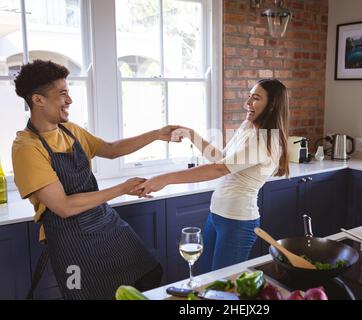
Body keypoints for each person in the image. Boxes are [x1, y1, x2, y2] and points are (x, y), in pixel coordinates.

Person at [12, 60, 180, 299]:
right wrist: (122, 188)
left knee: (149, 275)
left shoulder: (70, 130)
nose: (69, 100)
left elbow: (110, 149)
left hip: (104, 223)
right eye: (62, 94)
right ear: (38, 100)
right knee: (83, 294)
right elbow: (63, 206)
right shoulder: (26, 148)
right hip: (69, 240)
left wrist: (156, 135)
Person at [134, 78, 289, 272]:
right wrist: (192, 135)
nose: (247, 103)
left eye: (255, 98)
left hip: (238, 222)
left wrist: (165, 178)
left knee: (223, 285)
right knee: (207, 278)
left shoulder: (266, 140)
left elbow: (219, 169)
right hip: (217, 215)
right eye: (249, 97)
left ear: (272, 105)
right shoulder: (248, 127)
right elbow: (221, 159)